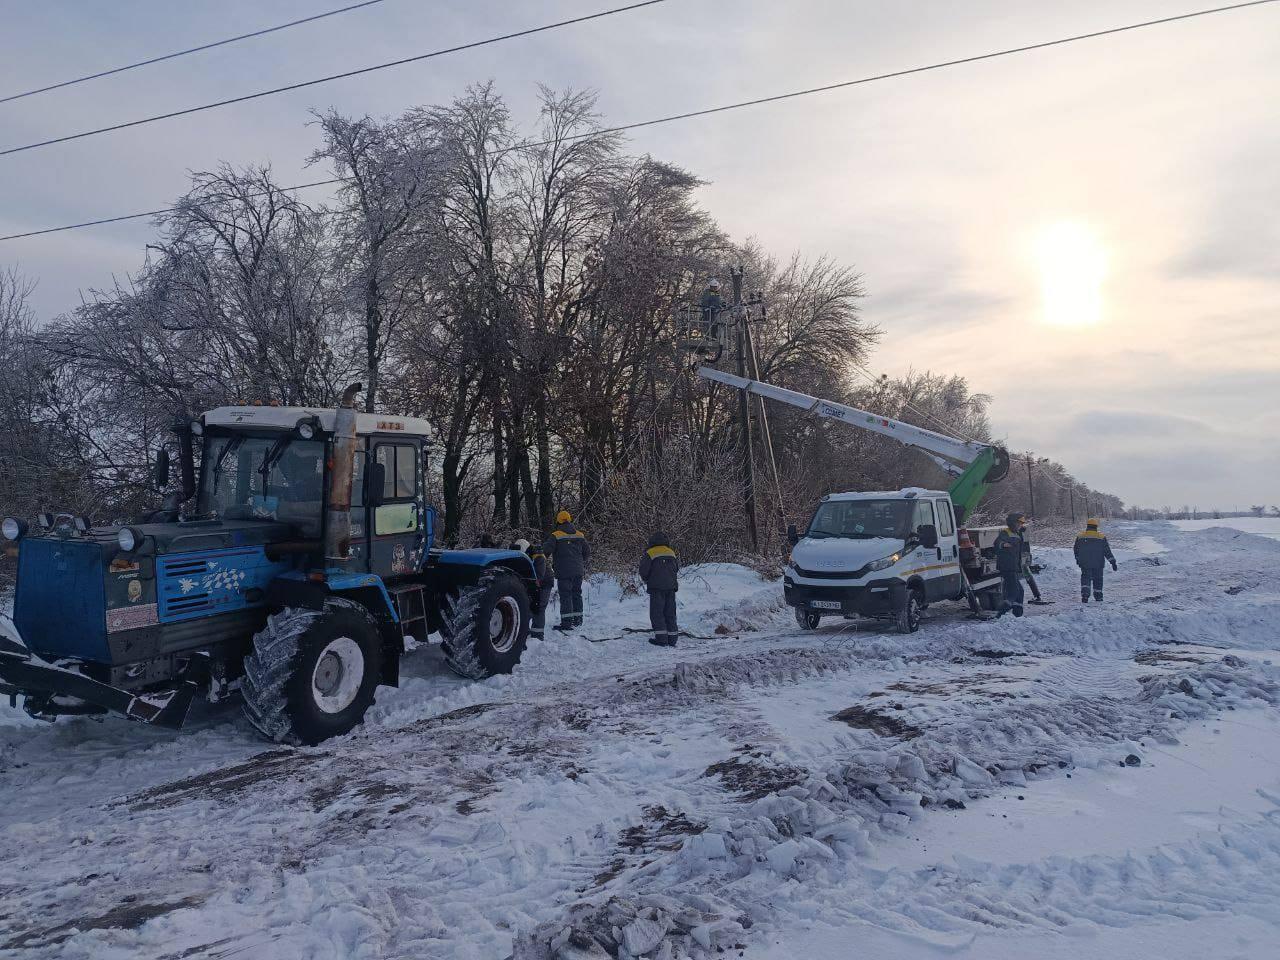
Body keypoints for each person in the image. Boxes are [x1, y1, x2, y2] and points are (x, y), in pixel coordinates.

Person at [545, 510, 589, 631]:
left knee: (566, 596)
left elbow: (546, 551)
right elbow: (587, 552)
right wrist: (579, 562)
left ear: (558, 521)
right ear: (569, 519)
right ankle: (578, 620)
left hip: (564, 572)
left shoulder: (556, 535)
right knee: (576, 593)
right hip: (578, 571)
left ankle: (566, 623)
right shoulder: (580, 535)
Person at [638, 531, 680, 647]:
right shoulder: (671, 552)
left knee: (657, 613)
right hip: (671, 587)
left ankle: (661, 639)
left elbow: (643, 571)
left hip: (657, 588)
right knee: (670, 613)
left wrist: (648, 580)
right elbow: (676, 568)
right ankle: (672, 639)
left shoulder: (650, 553)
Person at [1073, 518, 1117, 603]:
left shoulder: (1080, 536)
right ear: (1096, 526)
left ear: (1087, 526)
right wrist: (1113, 562)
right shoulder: (1101, 537)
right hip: (1098, 563)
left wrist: (1078, 559)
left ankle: (1085, 596)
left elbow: (1076, 550)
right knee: (1098, 579)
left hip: (1085, 563)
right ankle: (1098, 597)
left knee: (1085, 578)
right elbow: (1107, 551)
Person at [519, 538, 554, 640]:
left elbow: (539, 576)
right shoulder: (530, 554)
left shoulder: (539, 556)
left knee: (539, 607)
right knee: (531, 607)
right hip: (538, 583)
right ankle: (530, 631)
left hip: (545, 583)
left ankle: (538, 634)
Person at [994, 512, 1028, 618]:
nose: (1021, 525)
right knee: (1014, 591)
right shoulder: (1005, 532)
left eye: (1022, 523)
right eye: (1019, 523)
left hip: (1013, 566)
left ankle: (1017, 614)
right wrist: (1004, 544)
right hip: (1007, 566)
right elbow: (996, 544)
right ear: (1013, 523)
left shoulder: (1017, 533)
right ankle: (1001, 613)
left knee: (1020, 591)